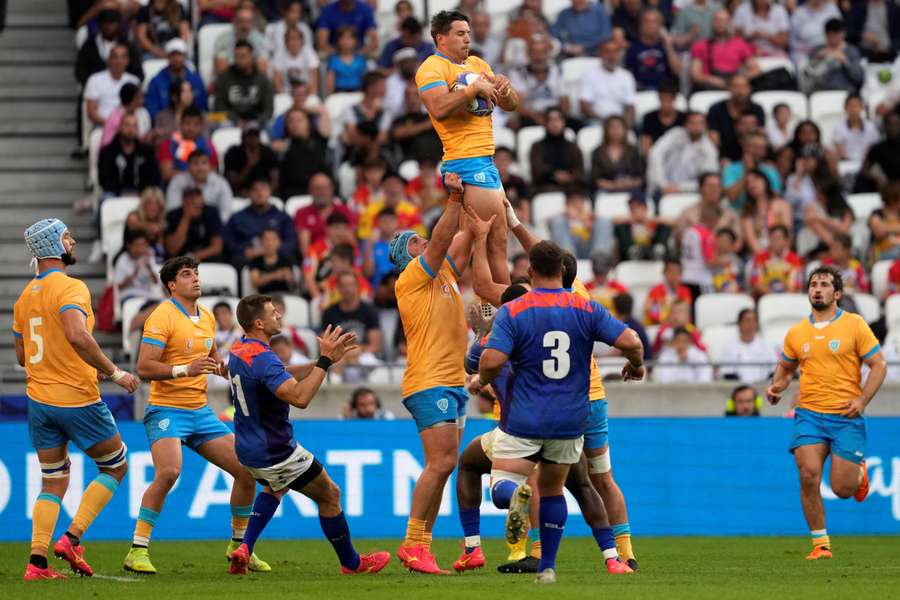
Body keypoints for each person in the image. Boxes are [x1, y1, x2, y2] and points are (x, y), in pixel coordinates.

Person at [477, 240, 644, 583]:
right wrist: (636, 365)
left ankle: (517, 497)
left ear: (531, 271)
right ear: (564, 271)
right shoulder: (586, 308)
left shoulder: (515, 310)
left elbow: (492, 361)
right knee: (555, 491)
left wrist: (485, 378)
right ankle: (548, 568)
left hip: (525, 417)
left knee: (501, 488)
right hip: (571, 420)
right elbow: (632, 342)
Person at [225, 294, 390, 575]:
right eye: (272, 312)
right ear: (258, 322)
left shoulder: (240, 349)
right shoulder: (265, 358)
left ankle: (244, 547)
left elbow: (280, 373)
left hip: (248, 448)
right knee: (330, 495)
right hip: (276, 450)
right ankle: (352, 563)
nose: (278, 314)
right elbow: (300, 398)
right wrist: (324, 362)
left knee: (276, 486)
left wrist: (323, 361)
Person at [124, 257, 269, 575]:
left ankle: (239, 547)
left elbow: (213, 360)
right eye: (187, 274)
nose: (196, 279)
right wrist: (183, 369)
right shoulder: (161, 316)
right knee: (169, 472)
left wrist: (242, 369)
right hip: (166, 410)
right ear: (172, 285)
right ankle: (138, 549)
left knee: (246, 471)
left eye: (197, 273)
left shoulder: (206, 317)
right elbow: (145, 367)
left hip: (199, 411)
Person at [15, 219, 138, 580]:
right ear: (54, 244)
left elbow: (24, 356)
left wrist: (80, 365)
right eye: (67, 236)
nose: (73, 241)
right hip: (76, 399)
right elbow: (77, 336)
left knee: (52, 481)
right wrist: (115, 372)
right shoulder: (70, 288)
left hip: (39, 401)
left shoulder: (25, 296)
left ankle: (37, 563)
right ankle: (72, 538)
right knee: (115, 466)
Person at [767, 265, 885, 560]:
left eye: (823, 284)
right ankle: (821, 544)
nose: (817, 289)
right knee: (808, 475)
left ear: (837, 293)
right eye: (813, 285)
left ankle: (858, 476)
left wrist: (862, 400)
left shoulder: (854, 325)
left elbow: (879, 365)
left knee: (843, 489)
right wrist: (777, 387)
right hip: (809, 413)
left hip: (845, 415)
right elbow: (786, 367)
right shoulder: (797, 332)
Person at [390, 173, 474, 574]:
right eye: (415, 242)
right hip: (430, 380)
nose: (423, 241)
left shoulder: (444, 276)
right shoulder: (411, 280)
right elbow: (444, 239)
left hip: (453, 382)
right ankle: (411, 542)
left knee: (445, 465)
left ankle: (422, 546)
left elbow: (464, 238)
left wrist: (479, 211)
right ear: (408, 257)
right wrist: (455, 199)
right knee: (440, 463)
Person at [415, 10, 517, 291]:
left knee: (472, 244)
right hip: (467, 161)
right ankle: (510, 315)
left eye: (468, 33)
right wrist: (473, 91)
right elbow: (439, 107)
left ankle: (440, 292)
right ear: (441, 38)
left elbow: (512, 104)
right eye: (460, 33)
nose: (467, 39)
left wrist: (505, 90)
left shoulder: (477, 64)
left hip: (484, 161)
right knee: (496, 242)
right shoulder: (432, 68)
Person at [225, 177, 298, 269]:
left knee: (290, 260)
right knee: (236, 260)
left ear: (270, 192)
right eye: (255, 190)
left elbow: (292, 241)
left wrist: (273, 250)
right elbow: (229, 241)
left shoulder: (282, 217)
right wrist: (244, 250)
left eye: (263, 188)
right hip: (248, 256)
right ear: (249, 193)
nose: (259, 193)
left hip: (277, 256)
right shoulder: (237, 218)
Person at [647, 111, 720, 196]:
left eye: (700, 123)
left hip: (690, 192)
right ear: (686, 124)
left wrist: (679, 188)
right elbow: (655, 153)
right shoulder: (675, 134)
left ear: (706, 126)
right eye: (692, 123)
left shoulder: (710, 150)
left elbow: (707, 181)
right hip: (661, 186)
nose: (696, 127)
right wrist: (663, 184)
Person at [689, 9, 759, 91]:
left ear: (730, 23)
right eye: (717, 20)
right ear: (711, 23)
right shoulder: (700, 45)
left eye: (724, 21)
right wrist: (712, 80)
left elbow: (756, 69)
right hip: (710, 86)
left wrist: (738, 81)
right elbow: (696, 75)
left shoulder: (740, 44)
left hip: (734, 86)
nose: (720, 24)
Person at [321, 271, 382, 361]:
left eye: (351, 285)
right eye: (343, 285)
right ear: (338, 287)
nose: (347, 289)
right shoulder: (329, 313)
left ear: (357, 286)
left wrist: (357, 350)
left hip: (363, 356)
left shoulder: (370, 311)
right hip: (338, 357)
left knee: (368, 360)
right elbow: (324, 345)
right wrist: (342, 353)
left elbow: (375, 346)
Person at [98, 111, 161, 197]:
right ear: (120, 127)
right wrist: (122, 192)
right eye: (127, 125)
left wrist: (139, 191)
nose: (130, 130)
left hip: (142, 194)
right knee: (106, 197)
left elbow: (154, 178)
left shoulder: (146, 152)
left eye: (134, 126)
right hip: (115, 193)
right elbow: (104, 181)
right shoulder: (107, 152)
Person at [214, 40, 275, 127]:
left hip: (256, 121)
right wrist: (235, 119)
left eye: (242, 56)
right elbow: (219, 106)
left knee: (271, 124)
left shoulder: (263, 80)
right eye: (236, 57)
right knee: (214, 119)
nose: (238, 60)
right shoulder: (224, 78)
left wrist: (256, 122)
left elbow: (268, 110)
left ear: (252, 57)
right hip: (231, 120)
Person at [706, 75, 766, 163]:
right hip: (724, 156)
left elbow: (760, 136)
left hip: (752, 155)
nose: (740, 91)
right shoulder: (716, 109)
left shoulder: (757, 109)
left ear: (749, 89)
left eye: (743, 86)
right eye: (736, 86)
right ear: (729, 88)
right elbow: (714, 139)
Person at [144, 38, 208, 120]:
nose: (177, 59)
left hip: (194, 124)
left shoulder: (196, 80)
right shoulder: (156, 81)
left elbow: (203, 107)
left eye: (180, 55)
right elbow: (152, 110)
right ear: (168, 57)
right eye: (173, 55)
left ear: (185, 56)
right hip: (165, 124)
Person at [294, 172, 357, 254]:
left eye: (325, 188)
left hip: (341, 258)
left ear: (332, 189)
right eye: (317, 188)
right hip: (315, 258)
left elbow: (350, 240)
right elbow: (304, 247)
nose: (322, 192)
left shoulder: (345, 211)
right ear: (310, 190)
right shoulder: (302, 213)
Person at [579, 39, 637, 127]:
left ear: (620, 54)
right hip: (597, 121)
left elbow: (630, 107)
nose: (612, 56)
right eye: (607, 52)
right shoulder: (589, 75)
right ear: (600, 54)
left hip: (620, 123)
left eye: (615, 52)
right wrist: (607, 123)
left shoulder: (627, 76)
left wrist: (627, 126)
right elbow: (585, 106)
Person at [165, 150, 233, 223]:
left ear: (210, 165)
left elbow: (226, 214)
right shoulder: (178, 181)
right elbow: (173, 210)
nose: (200, 168)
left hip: (213, 226)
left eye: (204, 163)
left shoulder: (221, 184)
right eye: (195, 163)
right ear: (188, 166)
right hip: (184, 224)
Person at [84, 44, 141, 129]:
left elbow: (137, 107)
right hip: (103, 127)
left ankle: (166, 143)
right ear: (109, 60)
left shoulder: (134, 80)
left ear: (128, 60)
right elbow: (91, 113)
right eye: (115, 57)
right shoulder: (95, 80)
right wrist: (112, 126)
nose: (119, 61)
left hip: (129, 128)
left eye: (123, 57)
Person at [157, 106, 219, 184]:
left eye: (196, 124)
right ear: (180, 124)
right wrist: (195, 175)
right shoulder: (167, 144)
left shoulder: (208, 145)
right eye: (187, 123)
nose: (191, 128)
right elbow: (167, 175)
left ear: (201, 126)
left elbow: (213, 171)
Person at [722, 132, 782, 212]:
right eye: (756, 147)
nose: (760, 152)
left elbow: (776, 199)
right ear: (745, 147)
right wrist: (747, 172)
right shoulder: (731, 169)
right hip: (737, 215)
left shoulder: (770, 171)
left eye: (763, 148)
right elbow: (731, 197)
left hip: (763, 215)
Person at [548, 187, 614, 260]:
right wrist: (567, 216)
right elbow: (547, 222)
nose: (578, 205)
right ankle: (568, 261)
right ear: (567, 204)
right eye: (574, 202)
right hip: (570, 248)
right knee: (558, 222)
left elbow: (612, 221)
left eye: (580, 201)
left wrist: (589, 219)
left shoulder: (590, 216)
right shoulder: (561, 218)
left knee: (604, 222)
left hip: (591, 249)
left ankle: (600, 260)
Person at [625, 8, 681, 91]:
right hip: (641, 92)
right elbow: (627, 76)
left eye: (654, 22)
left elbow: (678, 71)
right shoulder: (632, 48)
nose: (650, 25)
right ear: (640, 25)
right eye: (647, 22)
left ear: (660, 26)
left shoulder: (666, 45)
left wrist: (669, 47)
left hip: (665, 92)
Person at [529, 107, 584, 191]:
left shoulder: (573, 147)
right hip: (544, 188)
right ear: (545, 123)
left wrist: (568, 177)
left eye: (558, 119)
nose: (555, 124)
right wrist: (554, 175)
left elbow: (579, 172)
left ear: (564, 122)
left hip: (571, 189)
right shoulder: (537, 147)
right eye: (551, 120)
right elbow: (537, 170)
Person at [739, 170, 793, 255]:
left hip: (782, 252)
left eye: (756, 179)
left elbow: (788, 233)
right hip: (759, 255)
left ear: (765, 181)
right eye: (748, 182)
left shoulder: (782, 205)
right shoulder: (747, 211)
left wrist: (781, 255)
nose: (752, 184)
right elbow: (751, 239)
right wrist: (765, 258)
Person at [163, 186, 225, 261]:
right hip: (180, 261)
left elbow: (217, 247)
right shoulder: (174, 215)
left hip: (205, 259)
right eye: (192, 203)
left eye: (199, 204)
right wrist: (186, 217)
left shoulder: (211, 213)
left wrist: (192, 257)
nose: (197, 206)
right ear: (183, 202)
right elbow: (172, 250)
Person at [804, 18, 863, 94]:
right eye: (830, 34)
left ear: (843, 33)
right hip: (820, 92)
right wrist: (817, 60)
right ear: (826, 34)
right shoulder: (817, 50)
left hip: (844, 91)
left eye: (836, 34)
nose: (833, 37)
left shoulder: (852, 51)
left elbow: (858, 77)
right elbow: (807, 75)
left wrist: (845, 61)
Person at [720, 308, 778, 383]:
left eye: (754, 321)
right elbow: (728, 374)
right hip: (739, 390)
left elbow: (774, 372)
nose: (751, 324)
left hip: (764, 389)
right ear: (739, 324)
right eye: (747, 321)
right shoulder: (729, 348)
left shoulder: (768, 346)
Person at [591, 115, 644, 194]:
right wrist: (613, 185)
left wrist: (628, 183)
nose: (615, 131)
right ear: (606, 130)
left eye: (619, 127)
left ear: (625, 130)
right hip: (606, 190)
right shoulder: (598, 152)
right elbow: (595, 179)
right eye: (612, 127)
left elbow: (641, 178)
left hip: (631, 189)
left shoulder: (634, 151)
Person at [224, 124, 278, 196]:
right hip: (240, 193)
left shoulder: (268, 152)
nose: (253, 139)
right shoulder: (233, 153)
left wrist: (264, 193)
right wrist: (248, 166)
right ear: (243, 137)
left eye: (256, 135)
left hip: (265, 194)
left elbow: (275, 181)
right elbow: (233, 183)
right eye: (249, 135)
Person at [748, 225, 803, 296]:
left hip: (787, 299)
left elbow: (796, 285)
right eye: (772, 238)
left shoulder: (795, 259)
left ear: (786, 240)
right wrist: (772, 296)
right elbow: (756, 283)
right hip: (765, 299)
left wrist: (781, 297)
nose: (775, 241)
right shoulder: (760, 258)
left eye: (779, 238)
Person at [213, 6, 268, 76]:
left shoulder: (260, 40)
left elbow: (262, 71)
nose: (244, 26)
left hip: (253, 81)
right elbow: (221, 72)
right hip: (229, 82)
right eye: (241, 21)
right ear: (234, 21)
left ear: (253, 23)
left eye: (248, 22)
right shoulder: (222, 40)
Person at [613, 193, 669, 261]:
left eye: (638, 206)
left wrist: (648, 220)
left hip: (651, 248)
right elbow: (613, 221)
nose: (635, 209)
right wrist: (633, 219)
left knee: (664, 226)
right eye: (632, 207)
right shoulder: (627, 221)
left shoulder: (653, 220)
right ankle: (633, 251)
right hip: (633, 250)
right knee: (621, 227)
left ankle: (658, 250)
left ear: (645, 207)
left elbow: (672, 222)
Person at [114, 230, 162, 305]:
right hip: (129, 296)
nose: (140, 248)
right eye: (137, 245)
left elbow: (156, 282)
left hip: (148, 296)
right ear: (129, 245)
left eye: (143, 245)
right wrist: (135, 272)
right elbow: (120, 287)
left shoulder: (148, 256)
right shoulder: (122, 259)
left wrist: (149, 267)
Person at [639, 79, 686, 155]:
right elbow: (646, 145)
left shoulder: (684, 118)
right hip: (655, 157)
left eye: (668, 99)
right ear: (659, 98)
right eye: (662, 99)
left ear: (674, 99)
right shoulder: (649, 118)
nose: (665, 103)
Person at [789, 0, 842, 67]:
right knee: (803, 64)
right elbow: (793, 43)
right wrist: (811, 52)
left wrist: (831, 50)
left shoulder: (832, 9)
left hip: (831, 50)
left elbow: (840, 33)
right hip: (806, 54)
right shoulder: (799, 13)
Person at [271, 26, 320, 95]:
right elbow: (277, 81)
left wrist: (312, 95)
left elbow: (314, 79)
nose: (294, 42)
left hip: (306, 93)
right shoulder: (279, 54)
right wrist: (281, 95)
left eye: (296, 39)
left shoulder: (309, 52)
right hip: (286, 93)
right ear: (286, 42)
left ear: (302, 41)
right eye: (290, 39)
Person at [831, 93, 879, 164]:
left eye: (856, 106)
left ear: (862, 107)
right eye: (851, 106)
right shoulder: (839, 127)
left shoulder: (871, 127)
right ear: (845, 108)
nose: (854, 109)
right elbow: (839, 150)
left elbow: (873, 149)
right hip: (846, 163)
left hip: (866, 164)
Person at [101, 83, 151, 148]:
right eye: (139, 97)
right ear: (130, 99)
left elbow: (147, 134)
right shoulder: (114, 118)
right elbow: (106, 143)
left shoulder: (143, 112)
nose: (143, 100)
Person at [644, 259, 693, 326]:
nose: (674, 275)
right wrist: (667, 321)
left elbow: (687, 313)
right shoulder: (655, 290)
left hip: (680, 326)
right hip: (659, 325)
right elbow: (648, 311)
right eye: (671, 271)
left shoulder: (685, 291)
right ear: (664, 273)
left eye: (677, 272)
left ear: (681, 274)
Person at [248, 228, 296, 294]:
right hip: (264, 298)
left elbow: (293, 286)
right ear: (261, 242)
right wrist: (274, 275)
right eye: (266, 239)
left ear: (279, 242)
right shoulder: (256, 261)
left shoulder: (286, 260)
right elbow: (255, 282)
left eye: (273, 239)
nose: (270, 243)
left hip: (284, 296)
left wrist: (290, 279)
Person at [325, 27, 369, 93]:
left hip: (358, 92)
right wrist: (331, 97)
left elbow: (365, 79)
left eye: (349, 38)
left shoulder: (360, 59)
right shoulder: (333, 59)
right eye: (343, 38)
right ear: (338, 41)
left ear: (355, 41)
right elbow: (330, 81)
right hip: (339, 92)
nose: (346, 42)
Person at [126, 187, 167, 256]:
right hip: (129, 257)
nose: (153, 207)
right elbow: (132, 222)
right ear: (143, 204)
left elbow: (161, 249)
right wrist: (151, 227)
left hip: (152, 259)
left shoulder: (161, 221)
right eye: (149, 203)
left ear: (161, 206)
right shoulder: (135, 216)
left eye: (156, 204)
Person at [868, 181, 900, 263]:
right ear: (893, 199)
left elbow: (882, 229)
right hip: (882, 252)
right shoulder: (877, 213)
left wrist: (885, 227)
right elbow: (878, 231)